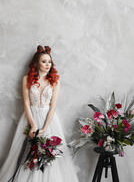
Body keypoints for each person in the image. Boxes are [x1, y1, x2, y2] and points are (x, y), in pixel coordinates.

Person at [0, 45, 79, 182]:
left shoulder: (55, 82)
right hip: (30, 118)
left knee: (48, 154)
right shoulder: (27, 79)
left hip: (49, 120)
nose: (47, 64)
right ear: (36, 63)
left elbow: (53, 107)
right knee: (27, 153)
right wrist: (33, 125)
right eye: (44, 61)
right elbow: (26, 104)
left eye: (49, 61)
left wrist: (44, 128)